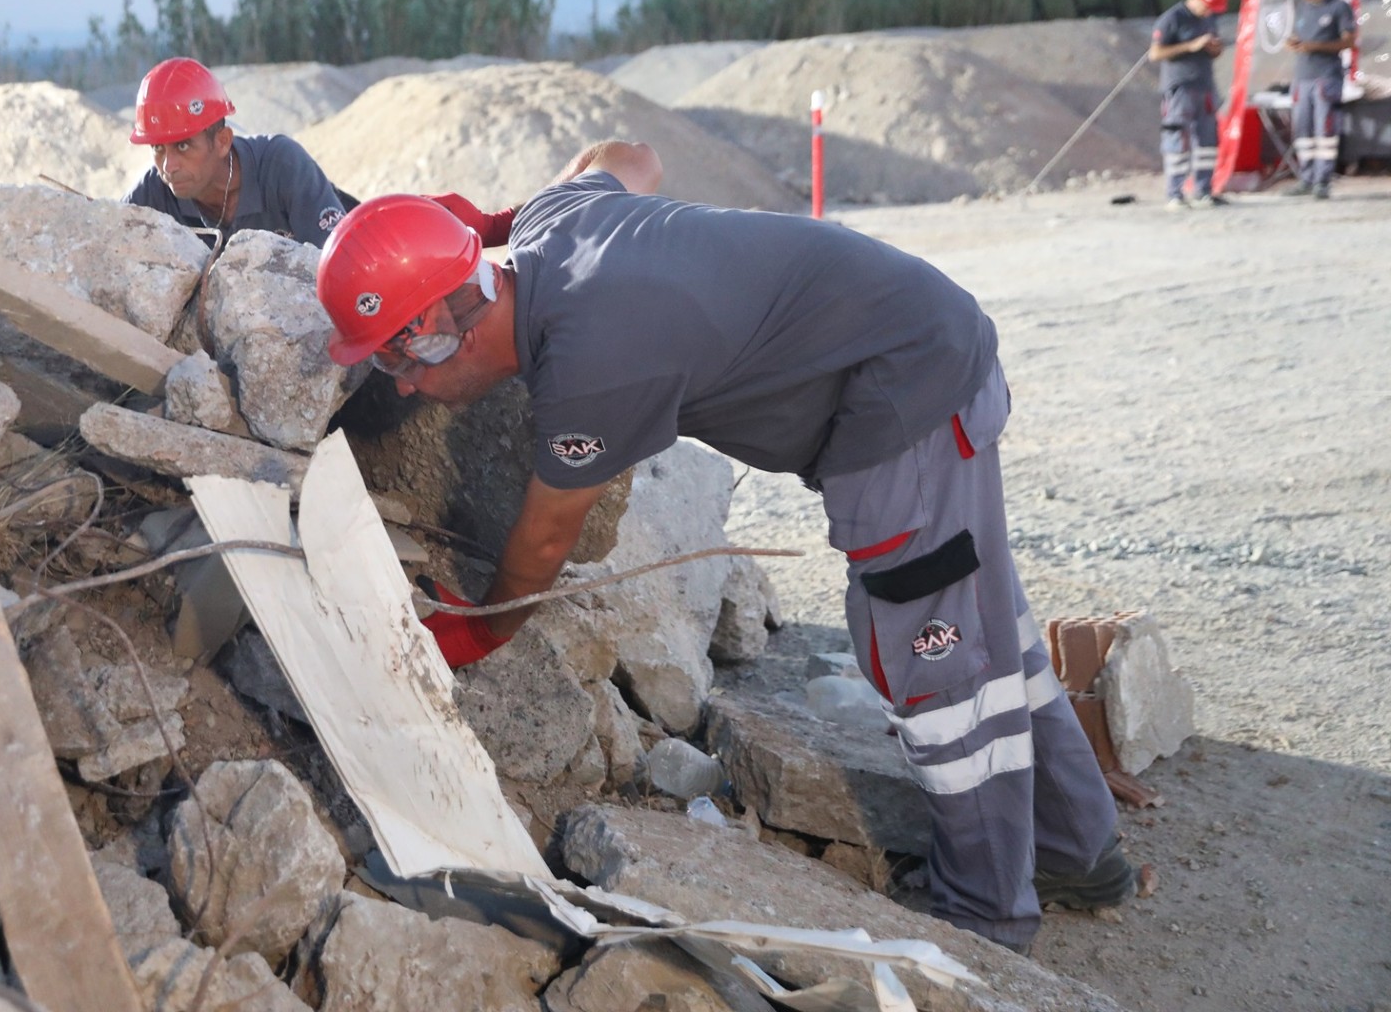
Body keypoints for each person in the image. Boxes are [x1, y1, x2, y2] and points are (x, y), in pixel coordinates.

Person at [314, 142, 1130, 953]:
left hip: (905, 394)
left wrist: (484, 628)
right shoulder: (553, 221)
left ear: (433, 331)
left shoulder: (592, 362)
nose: (404, 387)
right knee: (988, 627)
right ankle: (1075, 851)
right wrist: (500, 218)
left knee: (932, 658)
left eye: (394, 358)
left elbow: (547, 535)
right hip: (927, 339)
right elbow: (631, 158)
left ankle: (988, 915)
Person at [124, 57, 348, 247]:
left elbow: (344, 261)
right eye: (158, 148)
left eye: (183, 146)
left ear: (222, 142)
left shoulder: (282, 166)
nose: (168, 166)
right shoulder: (154, 192)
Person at [1148, 0, 1229, 209]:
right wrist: (1190, 46)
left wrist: (1214, 49)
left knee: (1207, 141)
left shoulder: (1210, 17)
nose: (1209, 13)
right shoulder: (1172, 19)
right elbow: (1155, 54)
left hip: (1204, 87)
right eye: (1208, 7)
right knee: (1177, 140)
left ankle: (1204, 191)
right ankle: (1175, 193)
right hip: (1179, 88)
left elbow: (1214, 48)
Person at [1281, 0, 1359, 199]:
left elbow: (1349, 41)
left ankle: (1323, 181)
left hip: (1327, 77)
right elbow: (1297, 33)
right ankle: (1306, 178)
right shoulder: (1300, 4)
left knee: (1325, 129)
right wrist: (1293, 43)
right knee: (1303, 130)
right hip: (1302, 77)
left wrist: (1314, 46)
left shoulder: (1339, 7)